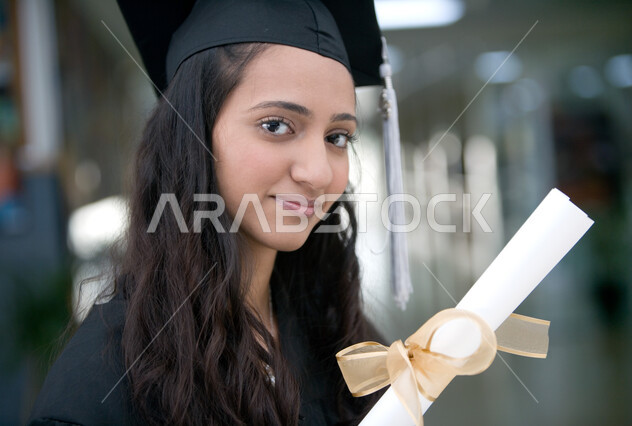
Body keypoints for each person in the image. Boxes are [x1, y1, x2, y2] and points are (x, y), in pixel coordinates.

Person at [27, 0, 394, 424]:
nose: (317, 172)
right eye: (276, 125)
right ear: (191, 133)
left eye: (337, 136)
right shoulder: (100, 388)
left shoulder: (337, 333)